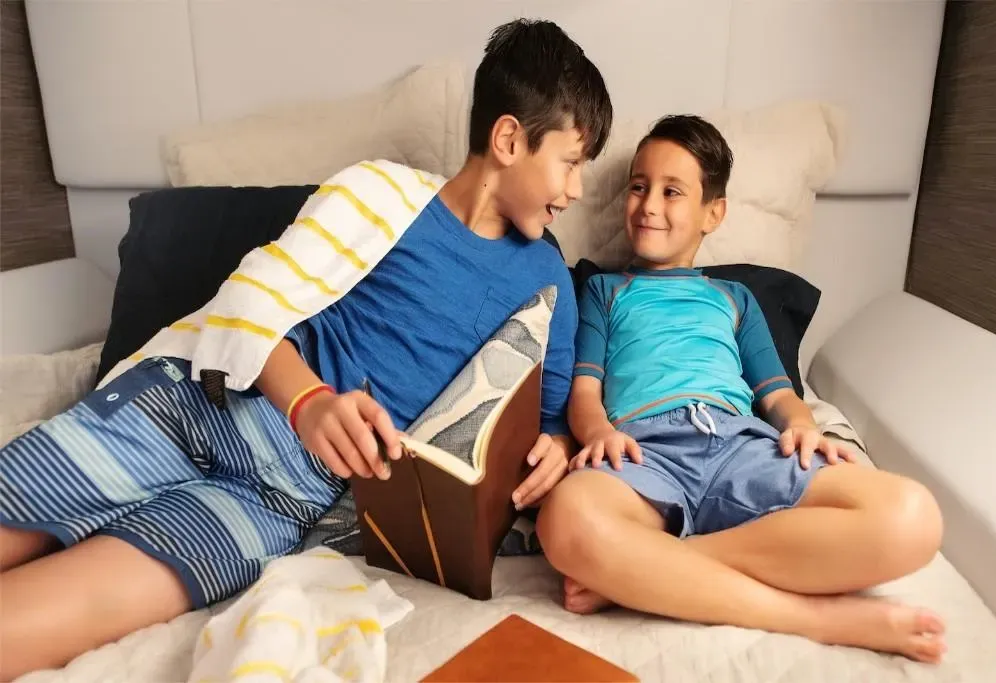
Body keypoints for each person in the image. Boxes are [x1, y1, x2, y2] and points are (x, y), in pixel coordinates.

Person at [0, 19, 612, 678]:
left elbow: (546, 417)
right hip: (202, 408)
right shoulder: (378, 194)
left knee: (68, 610)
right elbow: (251, 302)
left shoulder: (546, 280)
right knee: (20, 503)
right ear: (509, 139)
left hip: (281, 502)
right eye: (571, 162)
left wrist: (555, 448)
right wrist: (311, 403)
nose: (577, 190)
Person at [535, 114, 947, 663]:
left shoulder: (734, 297)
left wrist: (803, 428)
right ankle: (815, 619)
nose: (649, 205)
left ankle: (648, 568)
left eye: (672, 192)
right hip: (643, 453)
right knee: (565, 518)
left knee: (913, 516)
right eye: (638, 186)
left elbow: (779, 395)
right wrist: (598, 434)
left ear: (714, 212)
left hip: (739, 445)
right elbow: (584, 392)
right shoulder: (603, 290)